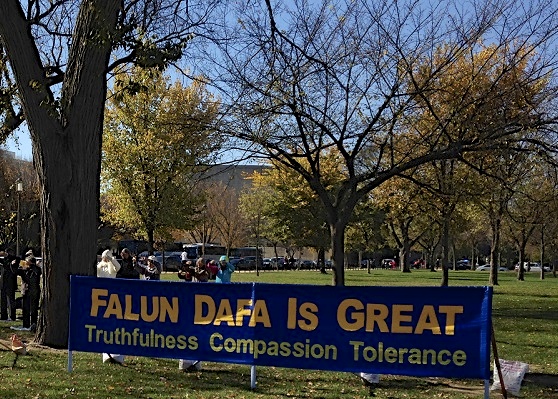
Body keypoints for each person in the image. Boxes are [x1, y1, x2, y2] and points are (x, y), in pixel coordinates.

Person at [96, 249, 124, 364]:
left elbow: (118, 268)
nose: (105, 259)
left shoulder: (112, 265)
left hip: (112, 291)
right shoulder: (100, 265)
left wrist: (111, 259)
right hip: (100, 291)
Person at [17, 255, 42, 331]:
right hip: (26, 290)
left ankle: (33, 324)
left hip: (34, 290)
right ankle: (26, 324)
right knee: (26, 308)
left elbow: (37, 273)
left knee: (34, 308)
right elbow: (16, 271)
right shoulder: (23, 269)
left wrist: (31, 266)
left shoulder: (36, 269)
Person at [0, 248, 18, 322]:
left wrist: (7, 255)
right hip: (3, 283)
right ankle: (3, 316)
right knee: (3, 300)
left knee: (10, 301)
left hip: (11, 283)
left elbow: (14, 263)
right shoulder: (4, 260)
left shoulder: (14, 260)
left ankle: (12, 316)